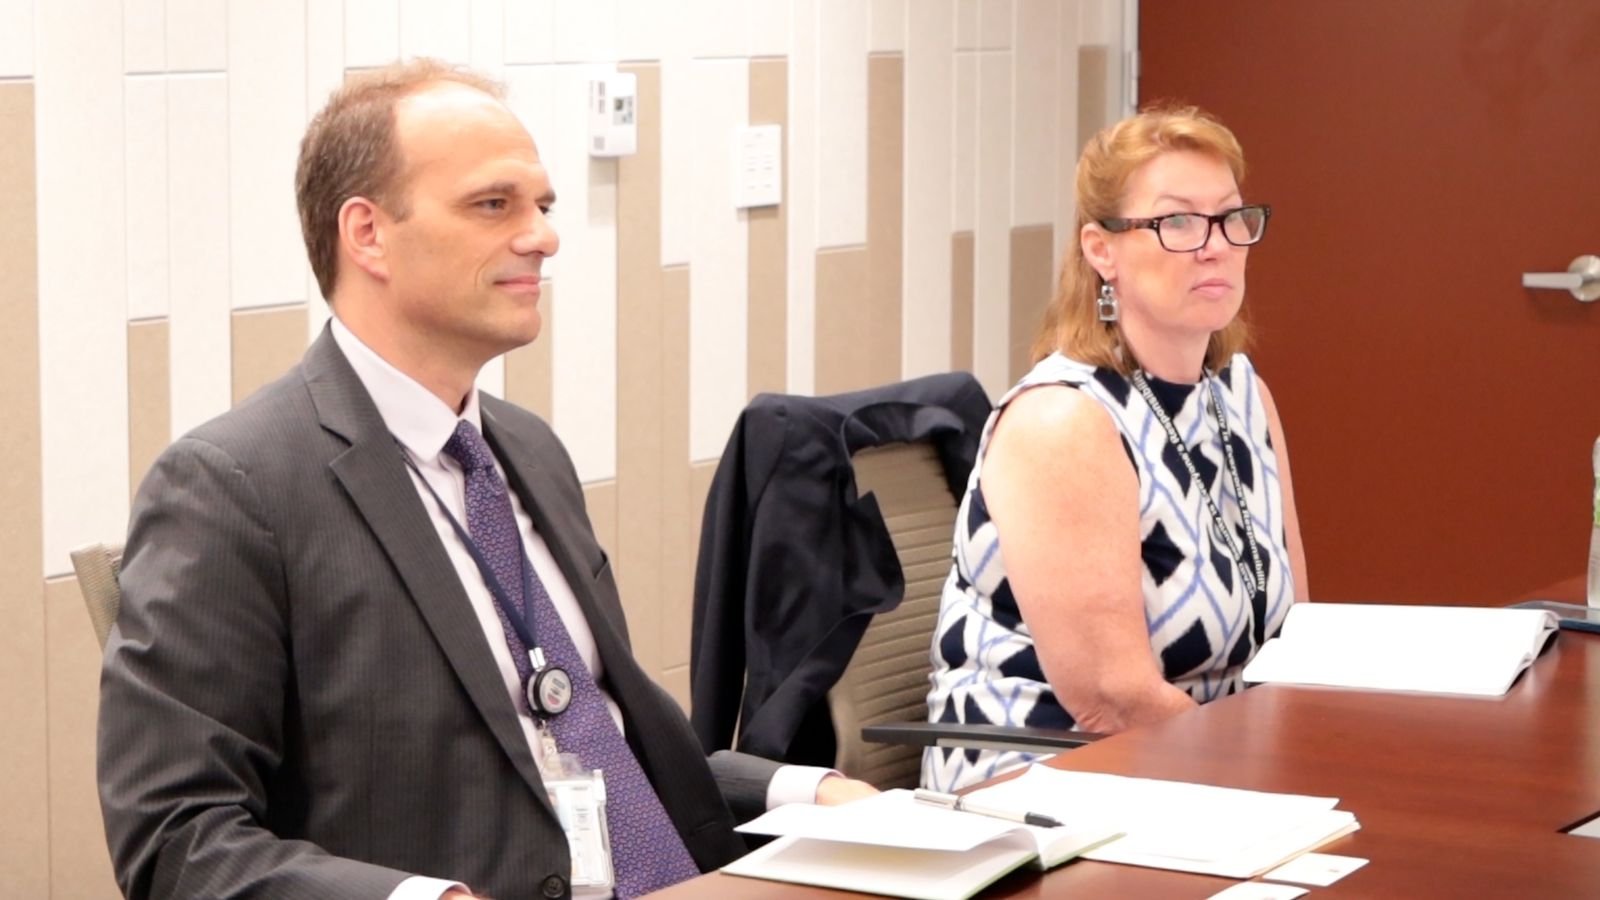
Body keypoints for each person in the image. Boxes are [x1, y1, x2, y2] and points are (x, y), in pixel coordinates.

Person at [97, 59, 872, 900]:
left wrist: (803, 790)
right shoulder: (232, 489)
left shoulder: (529, 451)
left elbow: (590, 739)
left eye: (542, 206)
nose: (543, 237)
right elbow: (177, 839)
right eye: (494, 205)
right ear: (367, 234)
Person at [922, 106, 1310, 792]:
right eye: (1177, 222)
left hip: (1199, 769)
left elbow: (1297, 636)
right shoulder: (1063, 421)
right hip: (1046, 778)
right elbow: (1113, 700)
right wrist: (1263, 777)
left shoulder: (1242, 392)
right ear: (1102, 251)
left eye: (1230, 217)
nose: (1216, 246)